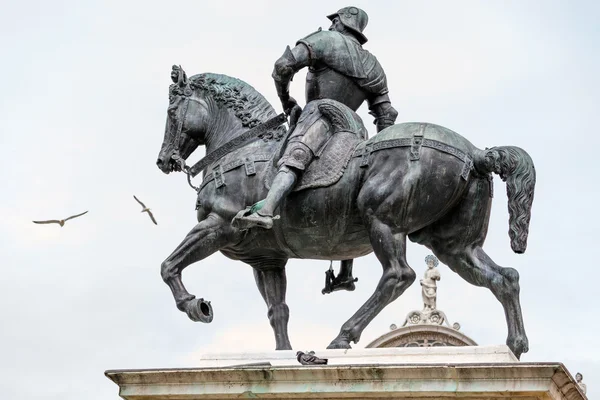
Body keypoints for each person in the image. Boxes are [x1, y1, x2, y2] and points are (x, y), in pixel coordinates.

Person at [233, 7, 398, 291]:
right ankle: (346, 269)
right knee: (351, 179)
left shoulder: (324, 40)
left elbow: (282, 67)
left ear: (339, 22)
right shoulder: (375, 67)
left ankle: (266, 208)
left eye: (334, 19)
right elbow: (386, 115)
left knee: (295, 155)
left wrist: (286, 100)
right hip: (353, 127)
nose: (331, 23)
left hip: (320, 114)